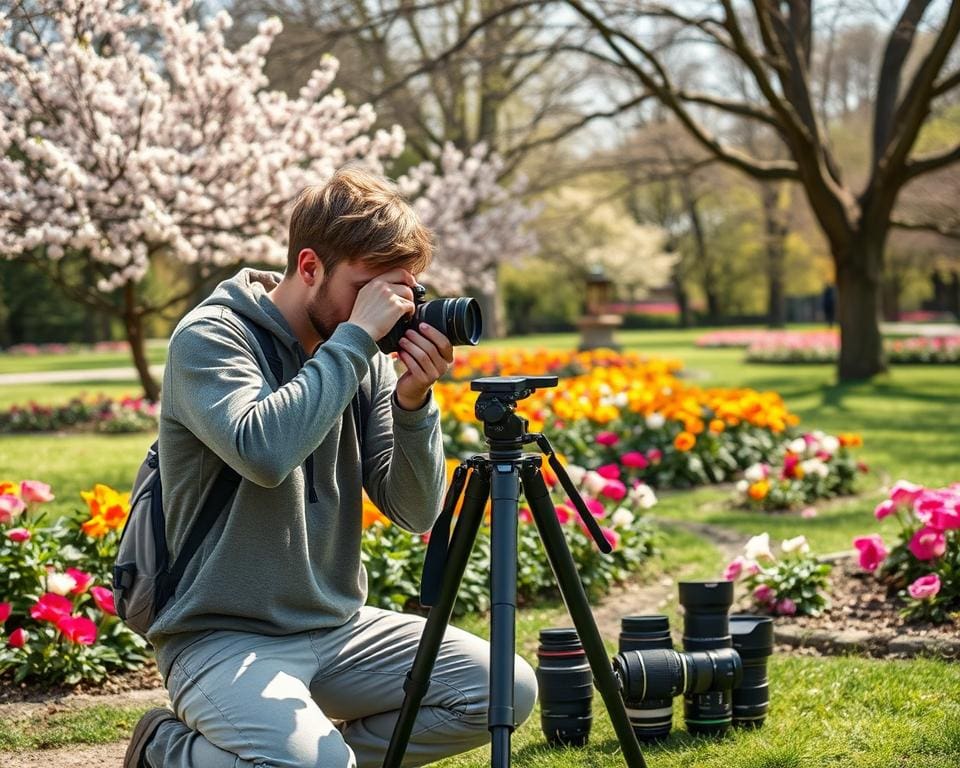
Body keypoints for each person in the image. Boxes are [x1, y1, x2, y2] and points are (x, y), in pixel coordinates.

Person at [123, 167, 538, 768]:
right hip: (221, 634)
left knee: (502, 689)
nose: (389, 312)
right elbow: (263, 452)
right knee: (316, 765)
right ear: (310, 266)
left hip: (337, 628)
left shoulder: (358, 353)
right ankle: (167, 752)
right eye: (372, 290)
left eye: (402, 293)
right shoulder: (212, 337)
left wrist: (414, 403)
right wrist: (354, 339)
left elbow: (416, 509)